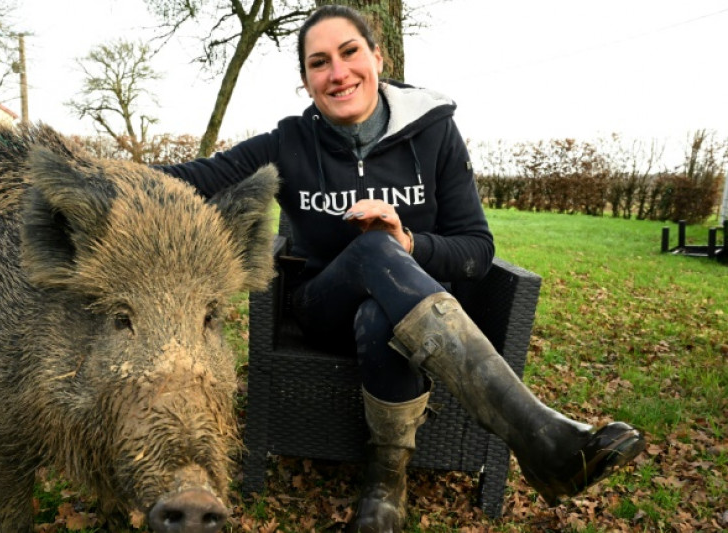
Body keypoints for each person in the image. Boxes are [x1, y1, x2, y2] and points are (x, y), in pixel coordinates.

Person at [158, 4, 645, 531]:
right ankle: (539, 436)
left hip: (410, 320)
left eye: (350, 52)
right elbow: (188, 179)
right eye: (319, 63)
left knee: (379, 314)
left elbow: (477, 249)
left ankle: (385, 489)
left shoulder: (433, 133)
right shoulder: (288, 143)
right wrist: (93, 173)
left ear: (378, 57)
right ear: (306, 80)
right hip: (322, 309)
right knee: (371, 250)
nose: (338, 72)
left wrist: (408, 242)